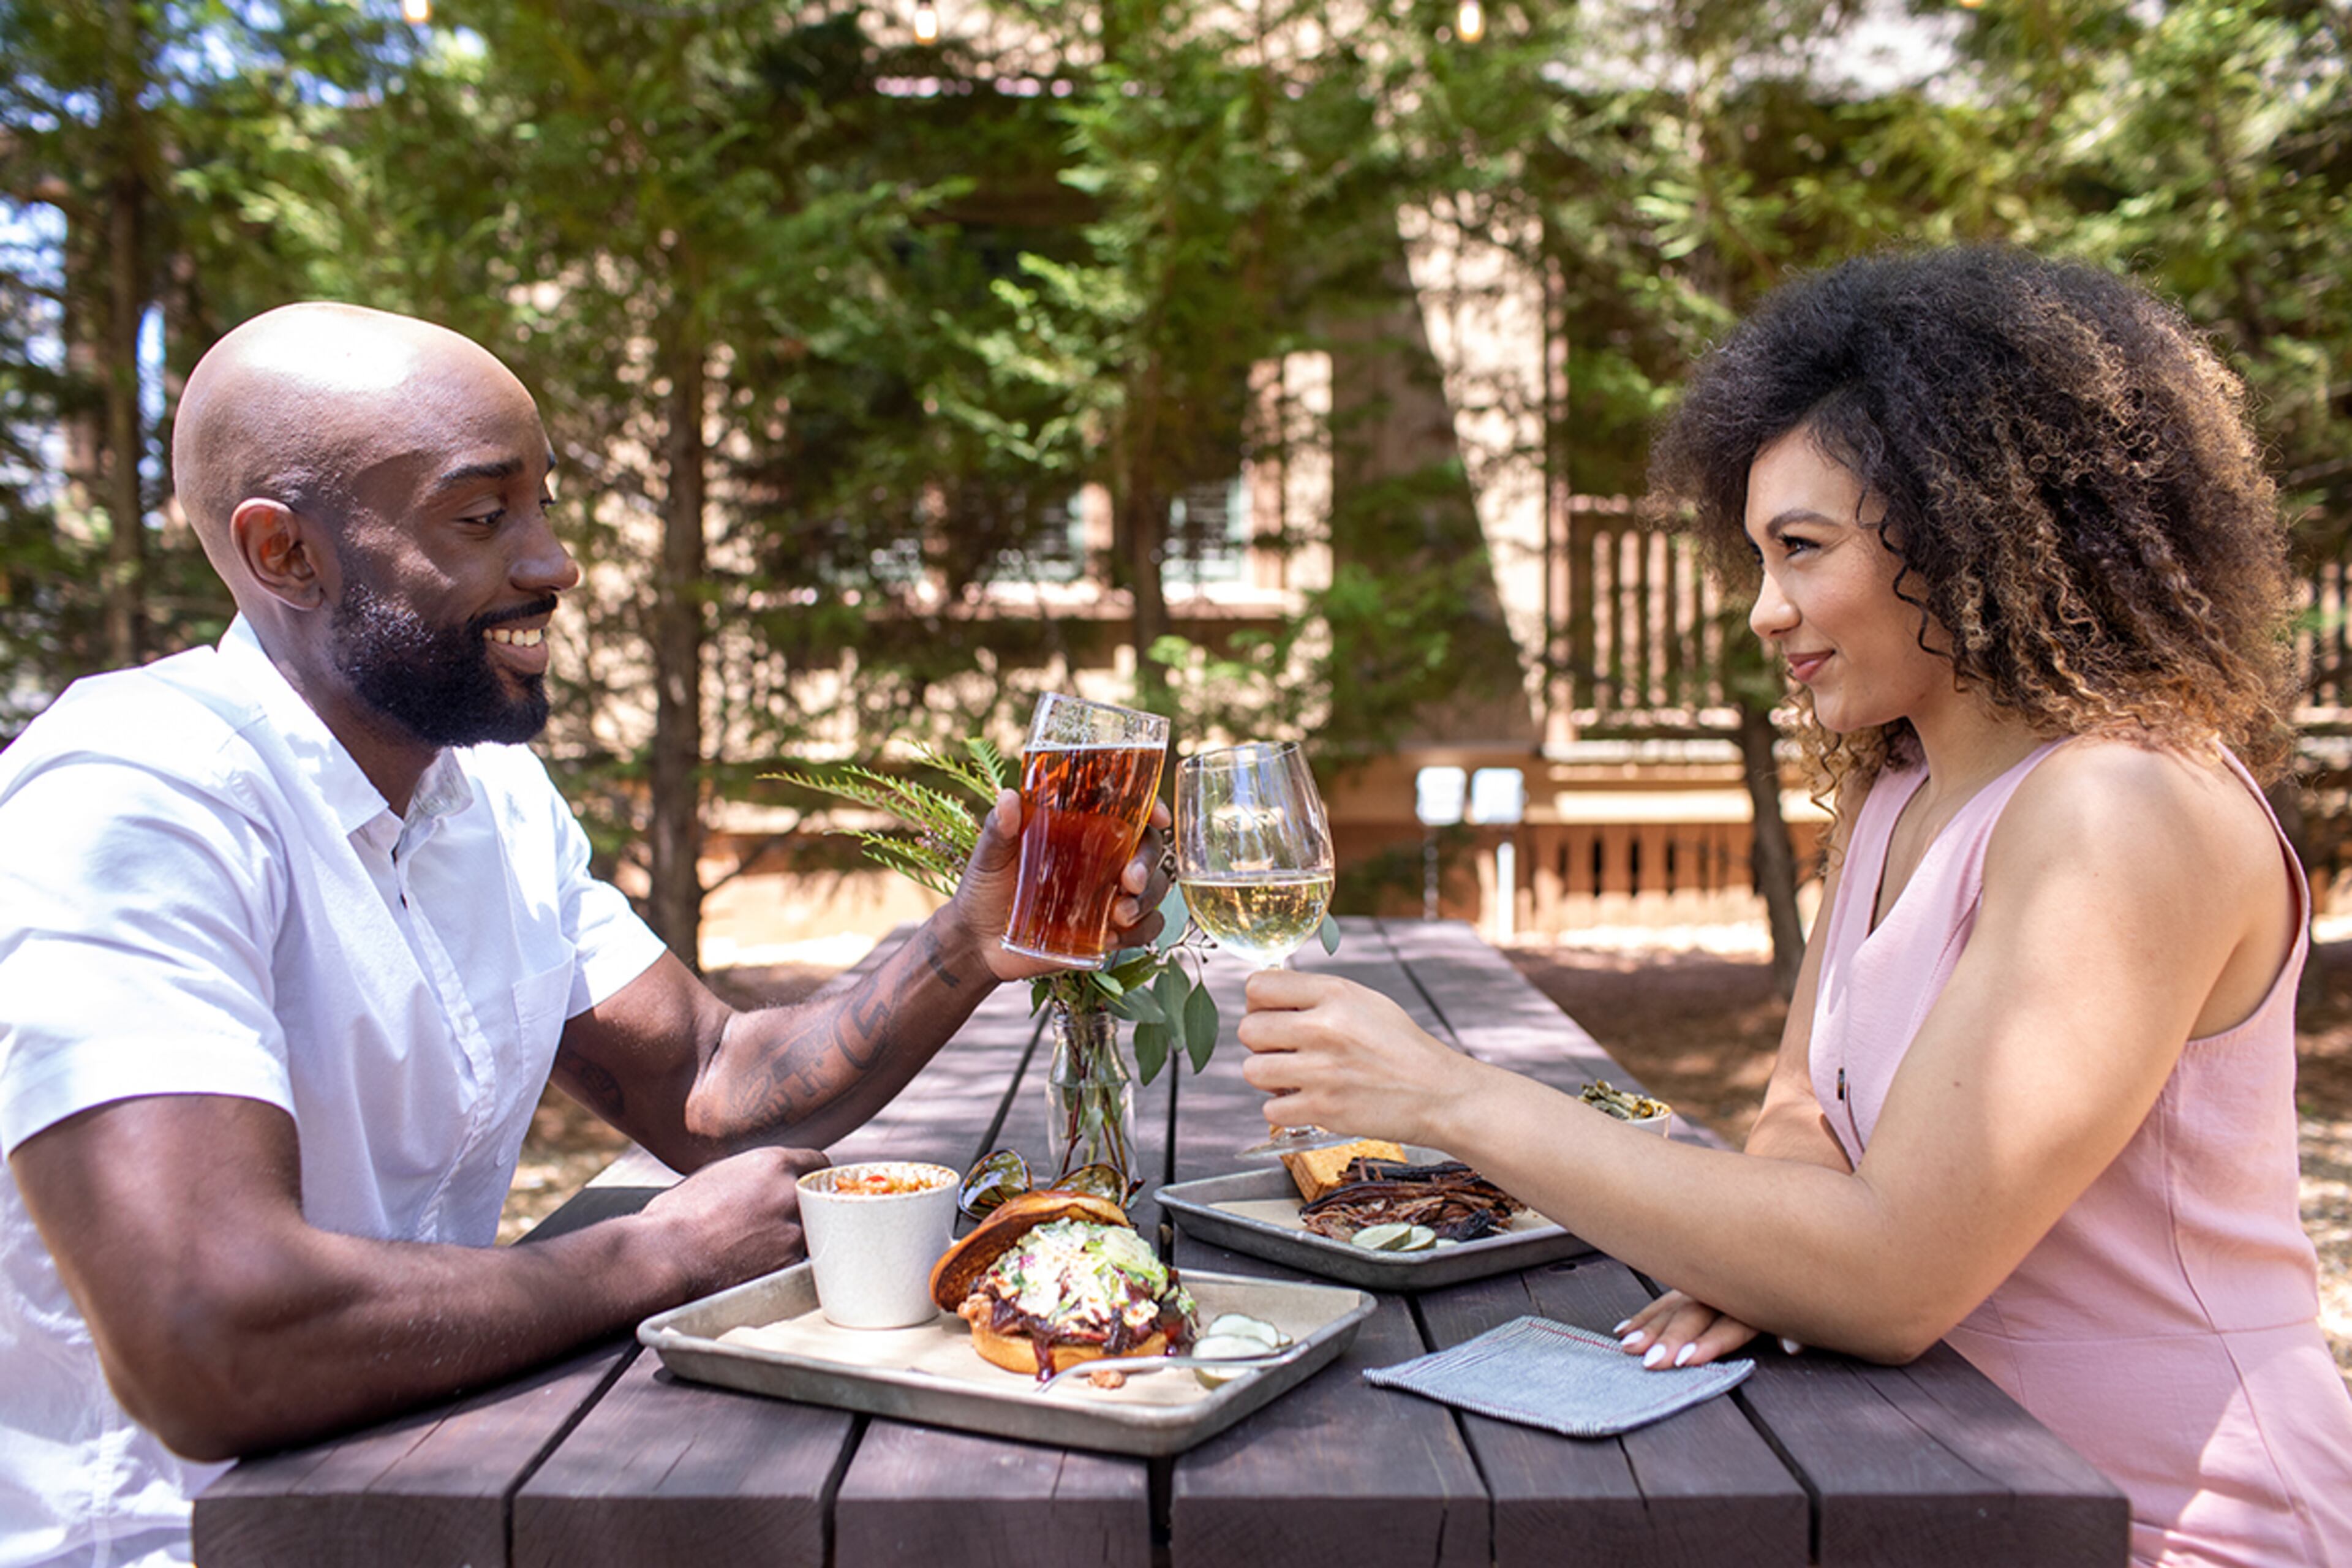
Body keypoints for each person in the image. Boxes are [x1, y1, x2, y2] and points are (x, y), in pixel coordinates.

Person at [0, 302, 1168, 1568]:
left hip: (435, 1498)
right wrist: (652, 1255)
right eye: (483, 515)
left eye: (548, 507)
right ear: (286, 554)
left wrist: (969, 944)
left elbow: (715, 1088)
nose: (554, 562)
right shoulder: (130, 798)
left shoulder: (483, 798)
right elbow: (206, 1334)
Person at [1237, 248, 2352, 1566]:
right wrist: (1769, 1250)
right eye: (1758, 554)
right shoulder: (1901, 789)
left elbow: (1891, 1278)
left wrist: (1449, 1097)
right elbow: (1798, 1106)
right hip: (1922, 1472)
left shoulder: (2123, 809)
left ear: (1968, 527)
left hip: (2165, 1520)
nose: (1765, 611)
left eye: (1803, 550)